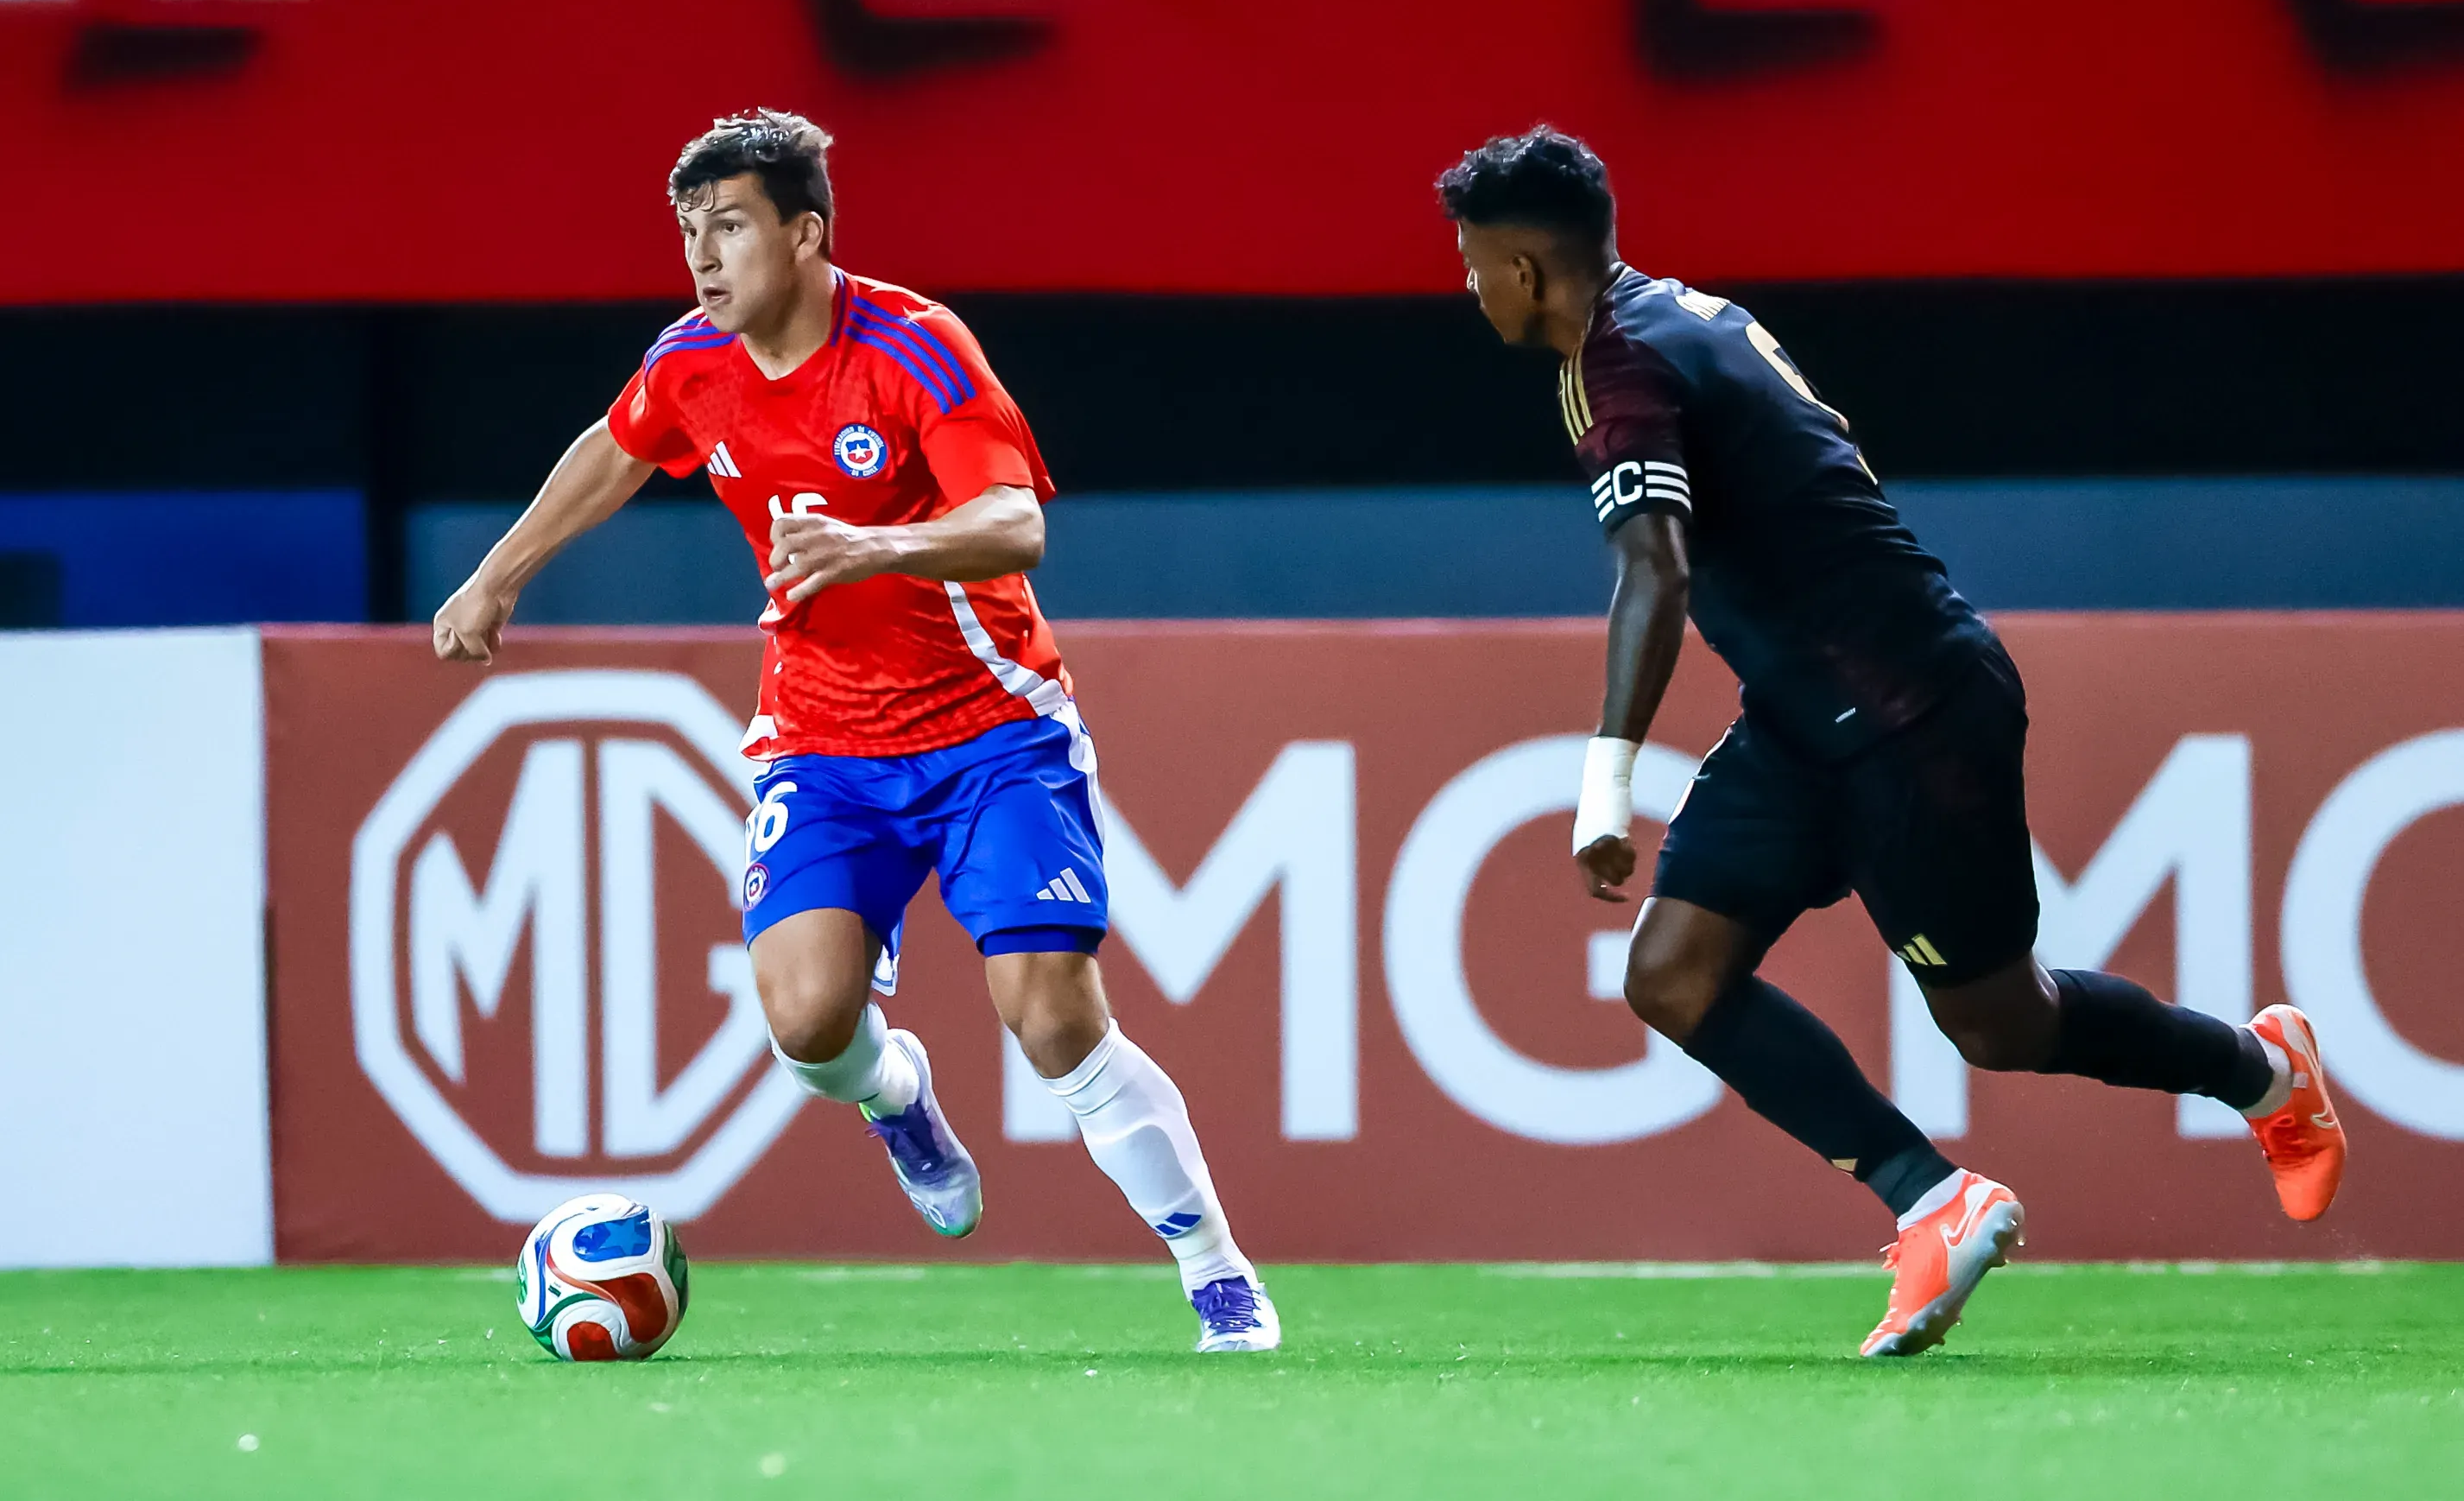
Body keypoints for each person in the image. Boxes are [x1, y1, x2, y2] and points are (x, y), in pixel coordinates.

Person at [1437, 125, 2346, 1358]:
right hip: (1808, 718)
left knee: (1997, 1025)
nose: (1467, 285)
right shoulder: (1677, 318)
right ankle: (1934, 1200)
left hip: (1914, 711)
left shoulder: (1623, 363)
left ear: (1528, 271)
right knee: (1671, 975)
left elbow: (1653, 571)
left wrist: (1604, 784)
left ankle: (2259, 1071)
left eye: (1473, 261)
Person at [434, 109, 1276, 1353]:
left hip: (993, 727)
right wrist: (498, 575)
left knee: (1049, 1013)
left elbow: (1014, 523)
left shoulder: (914, 349)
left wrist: (873, 542)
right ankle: (899, 1099)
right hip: (822, 743)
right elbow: (612, 454)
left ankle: (1215, 1270)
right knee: (807, 1023)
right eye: (688, 233)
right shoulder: (689, 363)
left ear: (806, 232)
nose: (703, 257)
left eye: (729, 226)